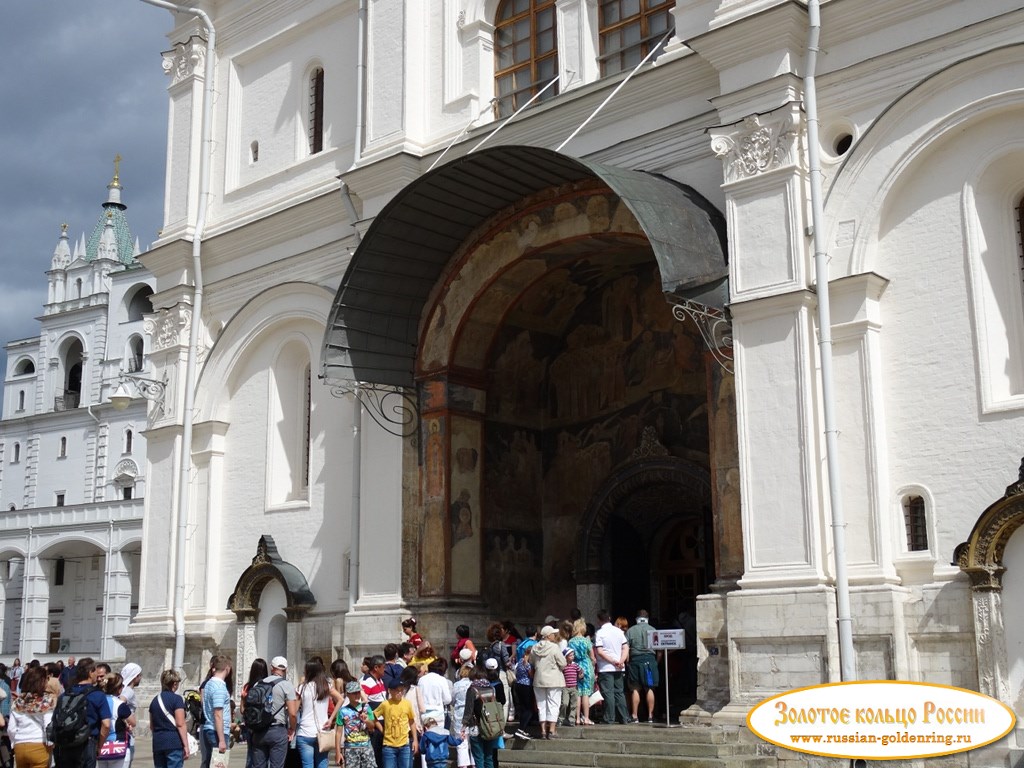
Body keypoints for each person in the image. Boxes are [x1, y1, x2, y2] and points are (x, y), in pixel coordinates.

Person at [53, 657, 112, 768]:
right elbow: (106, 724)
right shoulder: (98, 695)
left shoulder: (65, 694)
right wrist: (100, 746)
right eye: (95, 671)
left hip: (65, 743)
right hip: (87, 743)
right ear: (90, 673)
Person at [249, 657, 297, 768]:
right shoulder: (286, 685)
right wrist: (292, 729)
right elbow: (293, 713)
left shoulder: (258, 684)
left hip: (259, 730)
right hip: (277, 730)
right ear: (286, 669)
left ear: (271, 668)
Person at [295, 659, 342, 768]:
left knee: (307, 765)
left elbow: (295, 710)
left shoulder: (301, 688)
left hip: (305, 732)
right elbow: (340, 699)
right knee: (322, 763)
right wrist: (331, 719)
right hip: (322, 731)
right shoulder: (326, 687)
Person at [7, 665, 56, 768]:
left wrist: (13, 742)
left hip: (20, 745)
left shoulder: (18, 701)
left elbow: (11, 728)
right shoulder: (46, 700)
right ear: (42, 681)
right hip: (39, 744)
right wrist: (51, 743)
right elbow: (48, 725)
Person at [149, 669, 191, 768]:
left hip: (158, 742)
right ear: (174, 684)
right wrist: (186, 745)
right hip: (173, 742)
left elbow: (152, 726)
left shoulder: (154, 701)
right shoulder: (177, 699)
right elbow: (180, 724)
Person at [460, 668, 502, 768]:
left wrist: (463, 726)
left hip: (476, 726)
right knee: (489, 756)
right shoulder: (491, 689)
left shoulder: (472, 689)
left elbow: (468, 710)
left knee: (478, 757)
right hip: (490, 726)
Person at [594, 609, 630, 725]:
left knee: (608, 692)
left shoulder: (600, 633)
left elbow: (600, 651)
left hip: (606, 667)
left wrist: (614, 661)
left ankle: (609, 718)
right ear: (609, 618)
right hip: (619, 667)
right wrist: (621, 660)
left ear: (599, 620)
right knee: (619, 692)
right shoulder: (619, 631)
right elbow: (625, 647)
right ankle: (624, 717)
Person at [530, 626, 566, 739]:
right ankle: (551, 731)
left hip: (539, 680)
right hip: (554, 679)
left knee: (541, 705)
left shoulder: (534, 647)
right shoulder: (554, 647)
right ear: (548, 636)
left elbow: (531, 661)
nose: (555, 636)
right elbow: (563, 663)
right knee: (553, 704)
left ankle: (543, 731)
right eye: (553, 634)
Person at [624, 609, 659, 723]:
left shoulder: (630, 631)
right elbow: (659, 650)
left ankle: (634, 715)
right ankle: (650, 715)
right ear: (647, 618)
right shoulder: (653, 630)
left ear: (636, 619)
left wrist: (628, 662)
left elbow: (626, 648)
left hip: (635, 660)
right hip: (650, 660)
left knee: (635, 688)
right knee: (649, 687)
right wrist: (656, 662)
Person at [334, 681, 378, 768]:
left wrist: (366, 720)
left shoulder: (366, 707)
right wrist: (338, 752)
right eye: (354, 693)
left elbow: (372, 727)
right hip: (350, 748)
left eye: (358, 692)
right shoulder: (342, 711)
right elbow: (338, 733)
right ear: (348, 694)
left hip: (366, 747)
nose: (357, 695)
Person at [375, 681, 417, 768]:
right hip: (389, 746)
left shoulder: (407, 703)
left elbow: (412, 721)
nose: (400, 693)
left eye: (402, 690)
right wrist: (382, 730)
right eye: (397, 691)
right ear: (390, 691)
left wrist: (415, 740)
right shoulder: (385, 704)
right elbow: (373, 716)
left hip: (404, 744)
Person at [200, 657, 232, 768]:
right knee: (219, 765)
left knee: (209, 763)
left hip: (209, 728)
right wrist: (222, 740)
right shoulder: (219, 688)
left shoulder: (208, 684)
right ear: (227, 668)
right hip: (217, 731)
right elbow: (218, 714)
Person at [100, 674, 135, 768]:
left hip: (101, 745)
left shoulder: (99, 701)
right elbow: (133, 722)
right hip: (117, 745)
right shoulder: (119, 704)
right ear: (118, 688)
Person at [239, 659, 268, 768]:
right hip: (265, 726)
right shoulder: (268, 686)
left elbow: (242, 710)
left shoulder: (247, 687)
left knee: (251, 754)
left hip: (250, 726)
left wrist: (243, 700)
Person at [567, 618, 596, 725]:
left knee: (577, 693)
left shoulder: (570, 641)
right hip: (586, 667)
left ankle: (577, 718)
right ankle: (587, 718)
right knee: (586, 693)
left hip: (575, 667)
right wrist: (593, 664)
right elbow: (592, 657)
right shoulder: (586, 641)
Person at [415, 659, 452, 729]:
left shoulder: (421, 680)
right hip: (438, 713)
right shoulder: (442, 679)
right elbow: (447, 699)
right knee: (438, 736)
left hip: (424, 713)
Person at [450, 666, 475, 767]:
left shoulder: (456, 685)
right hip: (472, 713)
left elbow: (451, 700)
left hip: (460, 713)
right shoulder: (473, 684)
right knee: (473, 740)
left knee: (461, 742)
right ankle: (474, 764)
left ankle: (463, 765)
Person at [511, 650, 535, 739]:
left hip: (518, 685)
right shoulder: (527, 664)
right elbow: (531, 675)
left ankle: (523, 729)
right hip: (526, 686)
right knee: (529, 710)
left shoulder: (520, 661)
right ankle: (521, 729)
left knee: (523, 708)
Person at [559, 648, 581, 727]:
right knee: (564, 703)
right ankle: (561, 718)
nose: (572, 656)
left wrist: (581, 675)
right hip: (565, 687)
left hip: (574, 687)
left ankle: (572, 719)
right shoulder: (564, 666)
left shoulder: (575, 665)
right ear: (566, 657)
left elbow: (580, 673)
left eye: (573, 655)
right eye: (570, 655)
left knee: (573, 705)